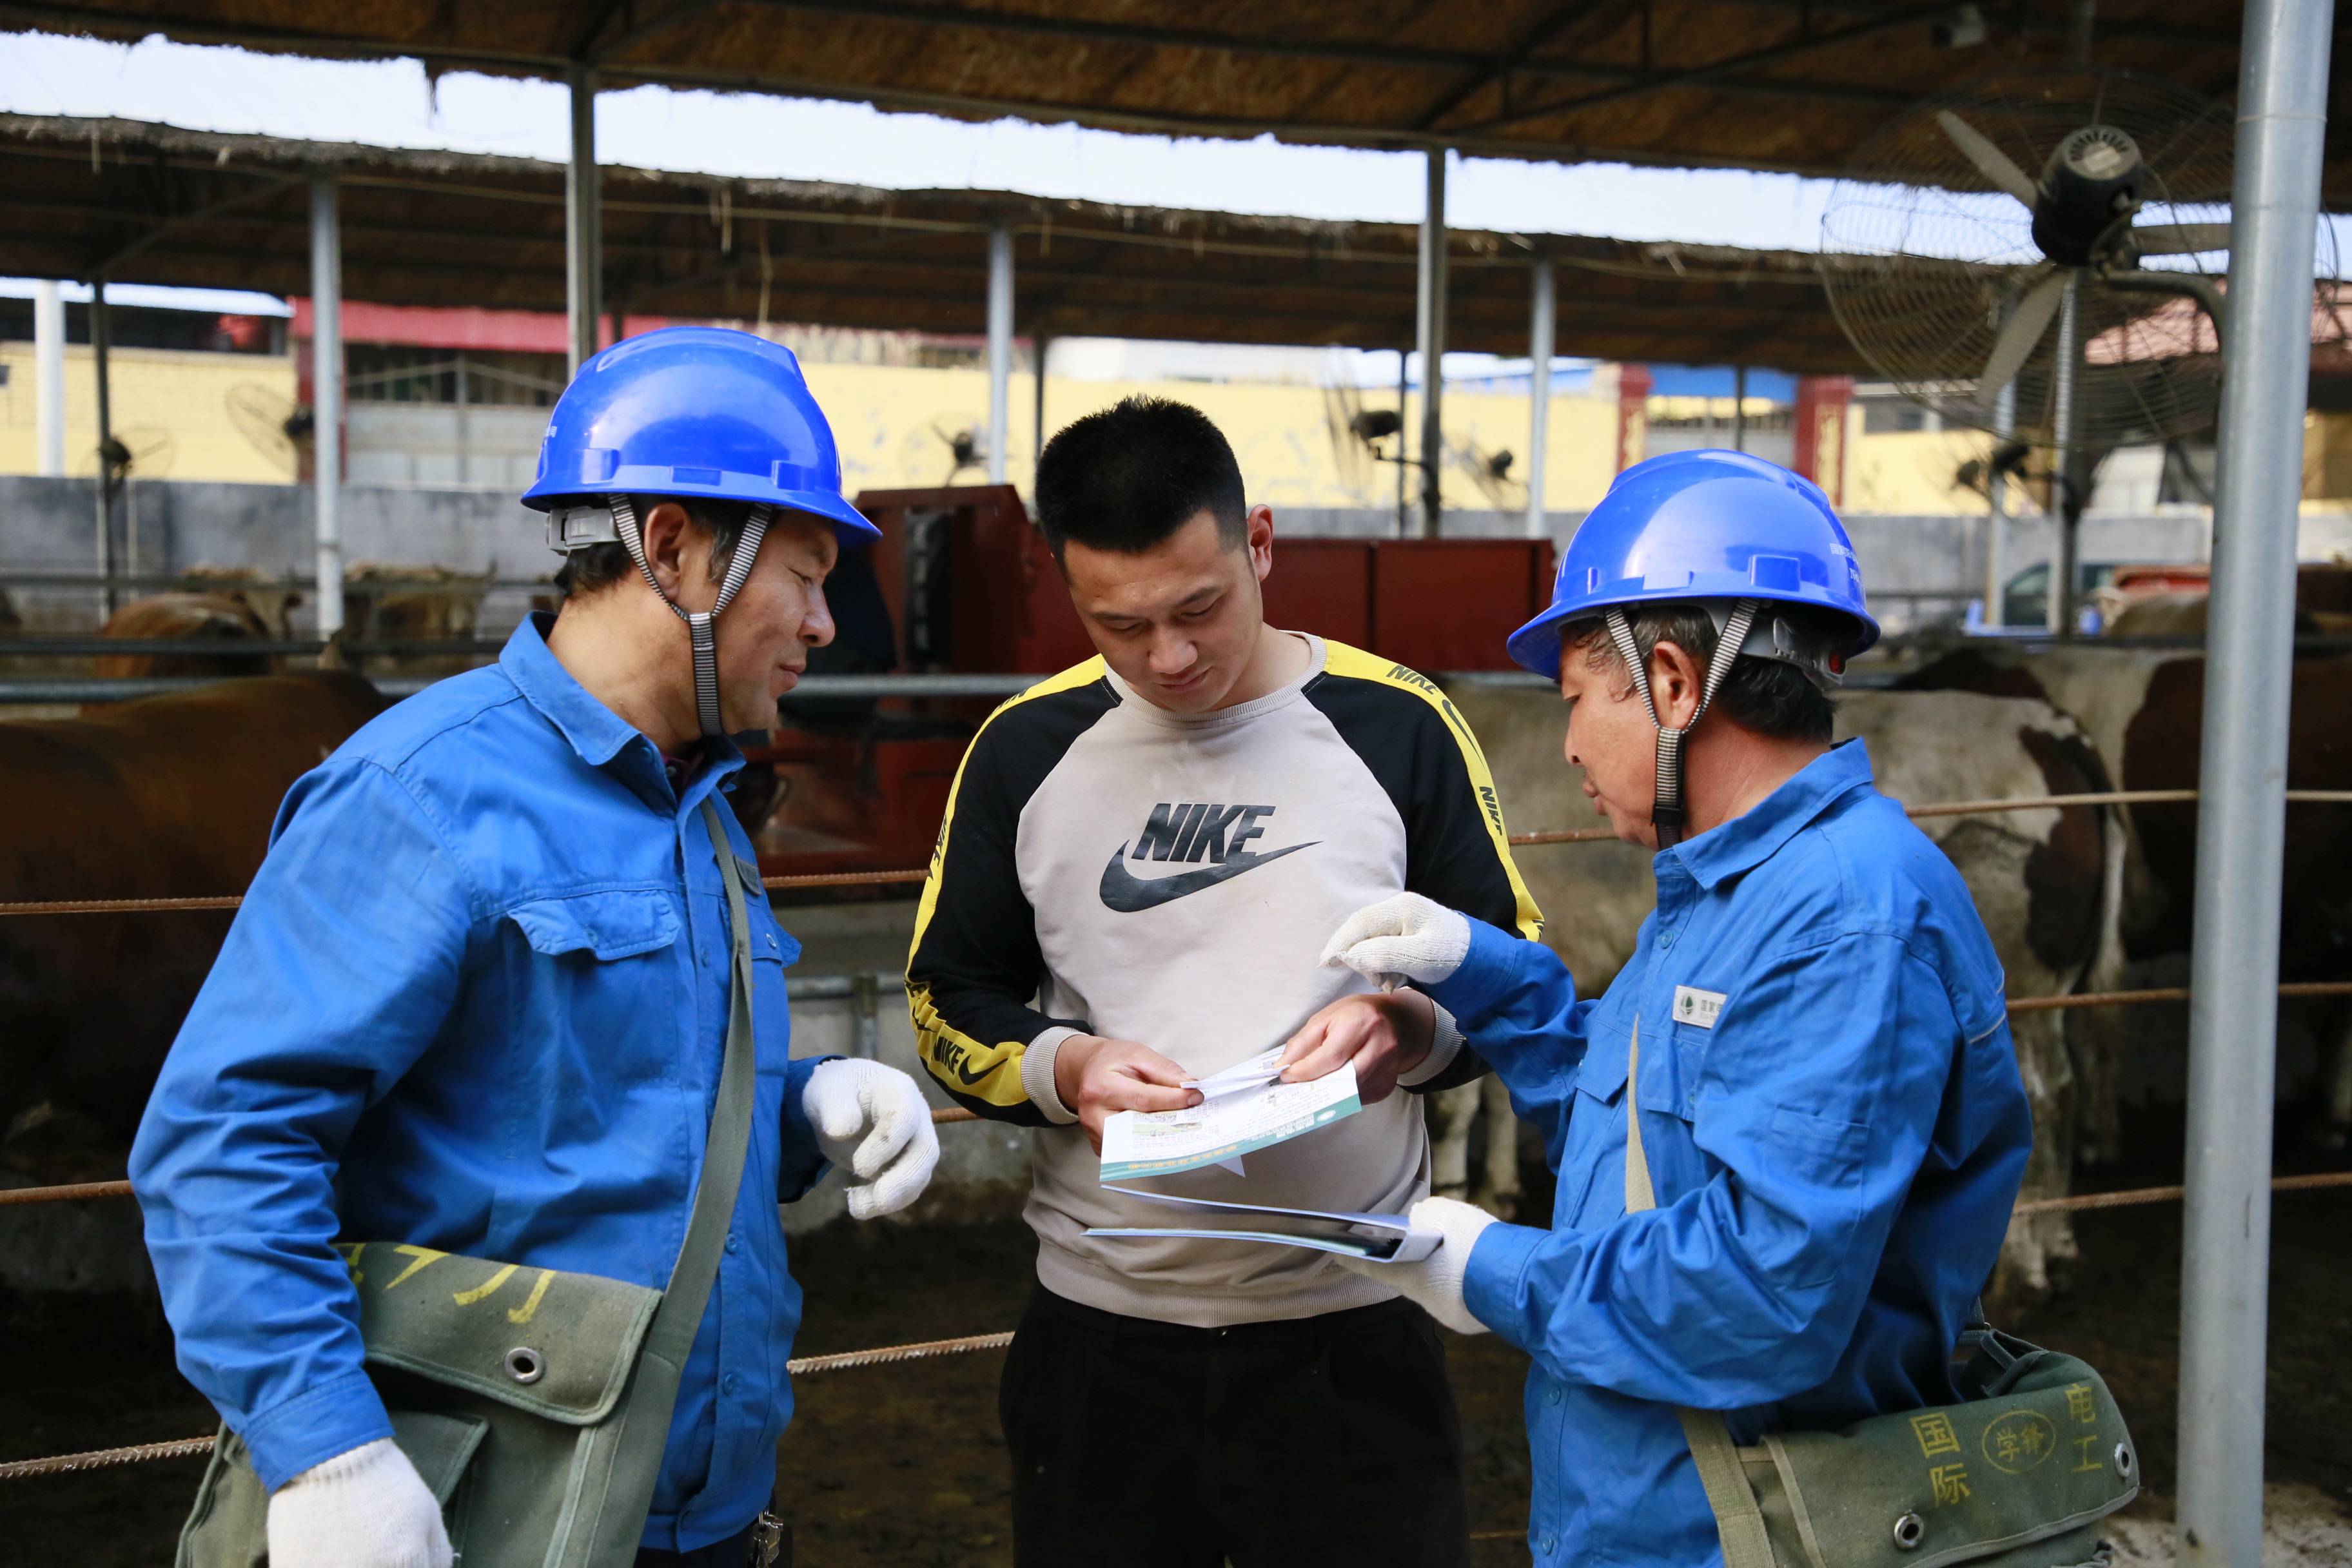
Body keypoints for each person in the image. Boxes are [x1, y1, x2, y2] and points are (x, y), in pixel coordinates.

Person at [130, 327, 941, 1568]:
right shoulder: (423, 795)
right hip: (485, 1520)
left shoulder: (704, 816)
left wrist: (801, 1109)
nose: (827, 625)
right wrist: (328, 1452)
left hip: (697, 1519)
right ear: (673, 550)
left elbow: (608, 1116)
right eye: (807, 573)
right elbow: (224, 1140)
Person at [1320, 449, 2035, 1567]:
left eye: (1573, 699)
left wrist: (1490, 1269)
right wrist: (1483, 976)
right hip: (1648, 1518)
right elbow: (1636, 1137)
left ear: (1669, 683)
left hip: (1749, 1535)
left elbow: (1763, 1292)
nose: (1565, 745)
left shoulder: (1847, 919)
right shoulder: (1721, 889)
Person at [905, 396, 1542, 1568]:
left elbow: (1513, 981)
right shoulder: (1022, 751)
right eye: (1121, 625)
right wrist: (1067, 1066)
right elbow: (947, 998)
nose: (1171, 657)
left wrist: (1410, 1027)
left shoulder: (1399, 725)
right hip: (1103, 1338)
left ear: (1259, 542)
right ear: (1068, 590)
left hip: (1352, 1329)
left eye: (1200, 608)